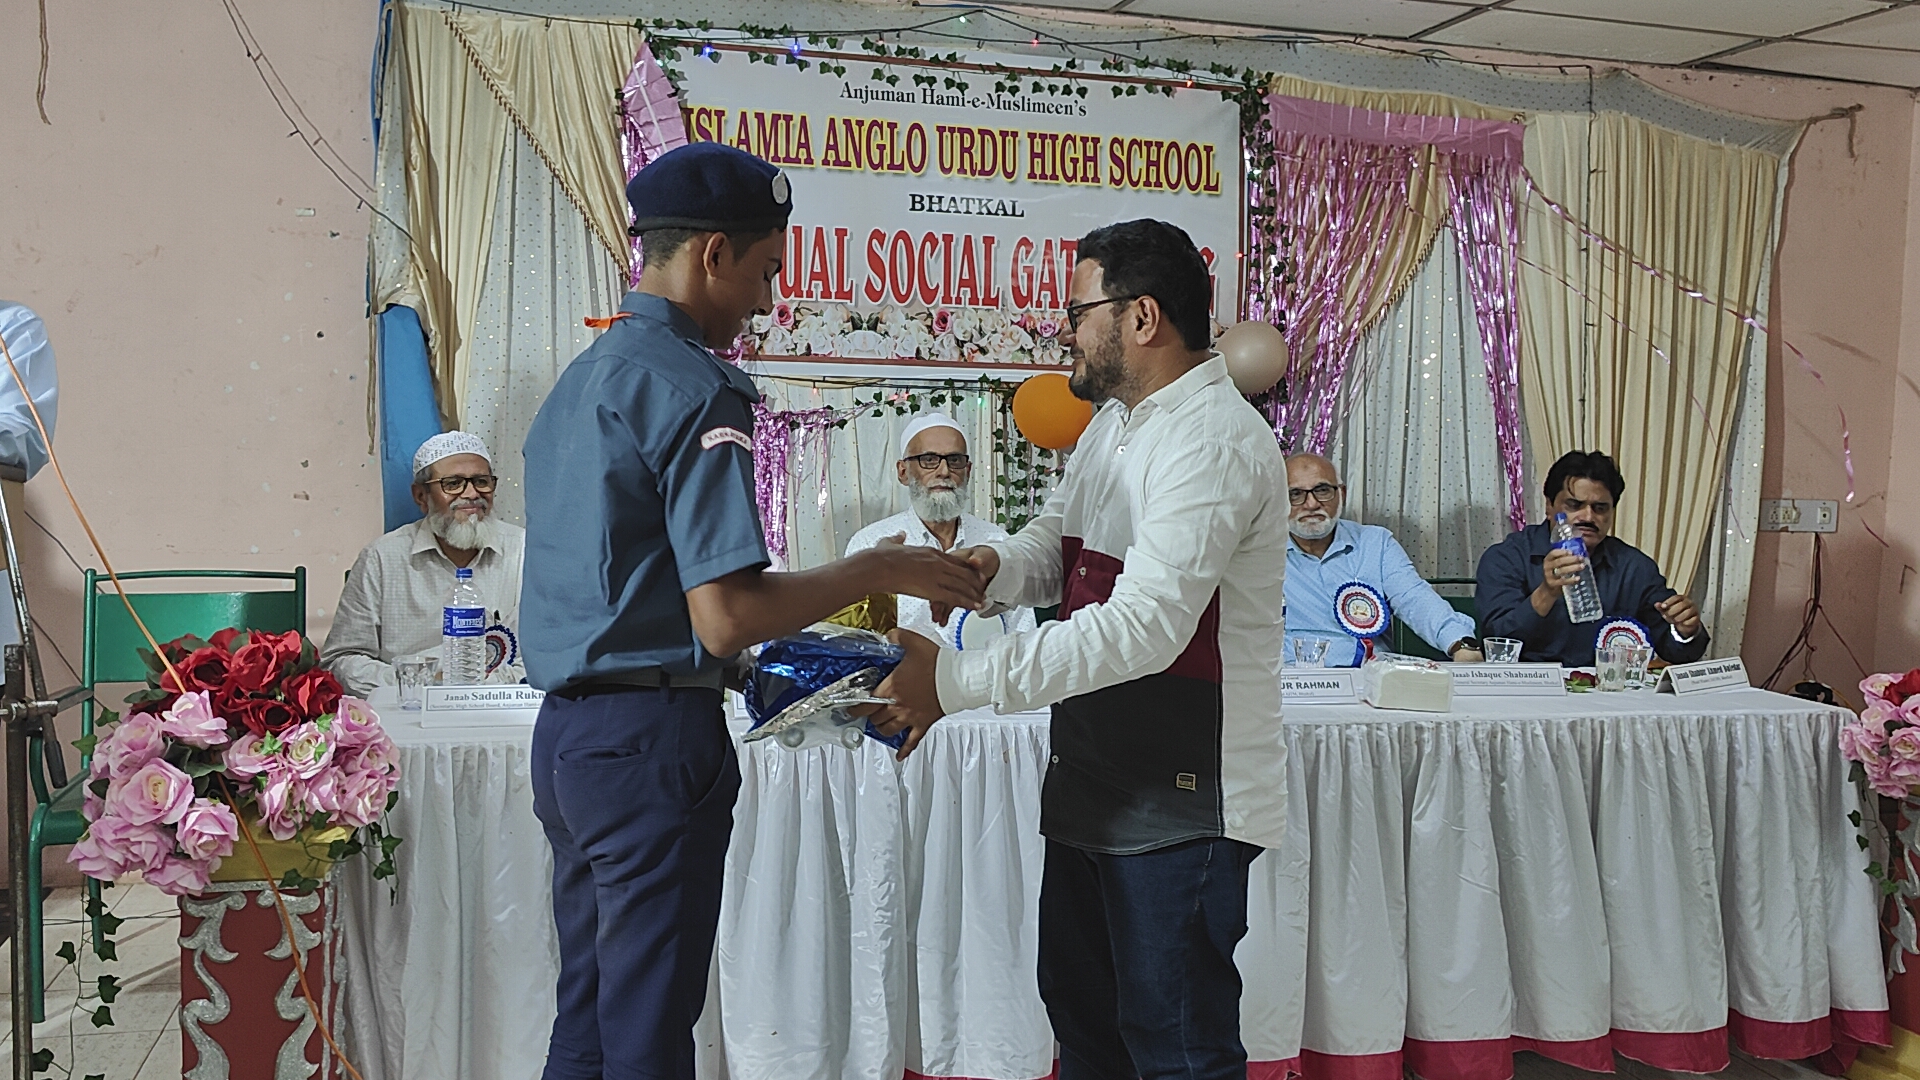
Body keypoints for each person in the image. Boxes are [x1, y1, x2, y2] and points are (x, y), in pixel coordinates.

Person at [517, 142, 985, 1080]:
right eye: (767, 271)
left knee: (594, 1016)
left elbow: (641, 593)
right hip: (651, 744)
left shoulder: (584, 379)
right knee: (649, 1031)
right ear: (714, 254)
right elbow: (726, 615)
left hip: (570, 739)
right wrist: (875, 567)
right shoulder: (693, 386)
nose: (768, 301)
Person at [867, 219, 1289, 1080]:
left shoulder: (1210, 437)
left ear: (1142, 317)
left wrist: (956, 681)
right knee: (1087, 1027)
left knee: (1175, 1046)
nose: (1064, 330)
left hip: (1182, 798)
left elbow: (1146, 626)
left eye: (1076, 311)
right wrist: (992, 569)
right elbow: (1059, 540)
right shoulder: (1116, 423)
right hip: (1094, 775)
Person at [323, 431, 525, 694]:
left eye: (481, 482)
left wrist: (478, 690)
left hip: (502, 706)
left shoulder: (526, 551)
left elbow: (548, 654)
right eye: (453, 484)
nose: (472, 493)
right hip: (406, 706)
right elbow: (341, 661)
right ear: (421, 496)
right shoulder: (382, 558)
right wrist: (423, 683)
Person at [1476, 450, 1707, 667]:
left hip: (1608, 687)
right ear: (1549, 505)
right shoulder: (1507, 558)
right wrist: (1546, 592)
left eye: (1600, 508)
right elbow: (1496, 641)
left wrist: (1685, 630)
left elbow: (1675, 649)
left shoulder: (1634, 567)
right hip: (1528, 687)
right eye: (1574, 505)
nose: (1588, 516)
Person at [843, 412, 1037, 642]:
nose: (944, 471)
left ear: (967, 471)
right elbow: (856, 642)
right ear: (903, 472)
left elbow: (1023, 635)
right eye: (929, 460)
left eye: (955, 460)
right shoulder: (869, 545)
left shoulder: (995, 541)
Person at [1281, 453, 1481, 665]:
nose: (1311, 504)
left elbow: (1415, 598)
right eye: (1295, 494)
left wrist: (1460, 644)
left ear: (1342, 494)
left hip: (1370, 675)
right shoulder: (1262, 553)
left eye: (1322, 491)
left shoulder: (1376, 543)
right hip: (1291, 678)